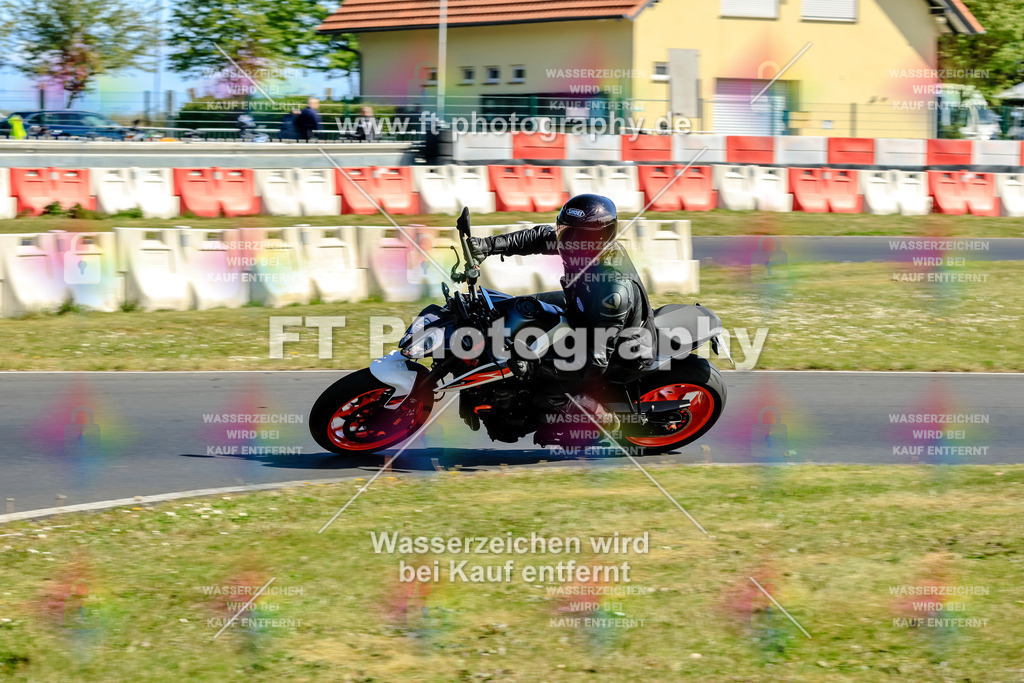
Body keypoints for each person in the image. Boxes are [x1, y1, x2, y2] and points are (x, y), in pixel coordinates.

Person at [468, 194, 656, 382]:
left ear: (601, 236)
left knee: (539, 394)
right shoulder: (584, 247)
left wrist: (534, 367)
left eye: (578, 235)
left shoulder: (614, 292)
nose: (567, 241)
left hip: (622, 359)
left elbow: (595, 363)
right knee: (521, 308)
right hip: (582, 310)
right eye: (564, 230)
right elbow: (541, 237)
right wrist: (487, 246)